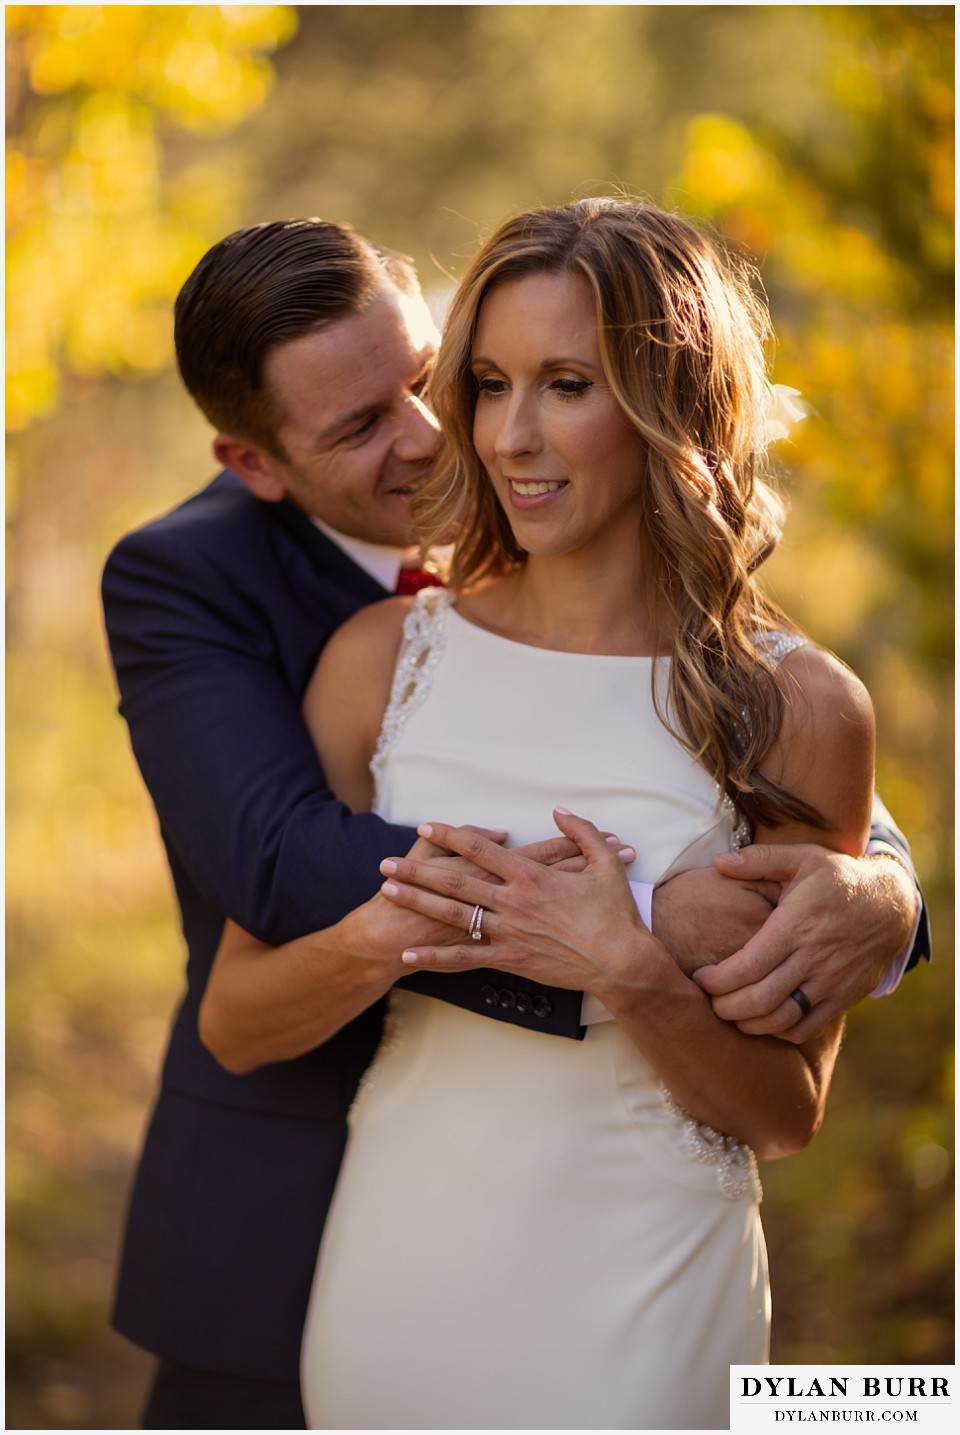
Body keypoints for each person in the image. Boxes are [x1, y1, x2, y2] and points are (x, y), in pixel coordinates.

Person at [102, 217, 927, 1429]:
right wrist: (622, 917)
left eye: (437, 376)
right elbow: (276, 863)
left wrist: (888, 892)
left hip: (637, 1268)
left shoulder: (762, 674)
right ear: (258, 462)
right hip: (309, 1223)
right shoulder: (224, 594)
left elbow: (784, 795)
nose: (455, 435)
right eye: (365, 424)